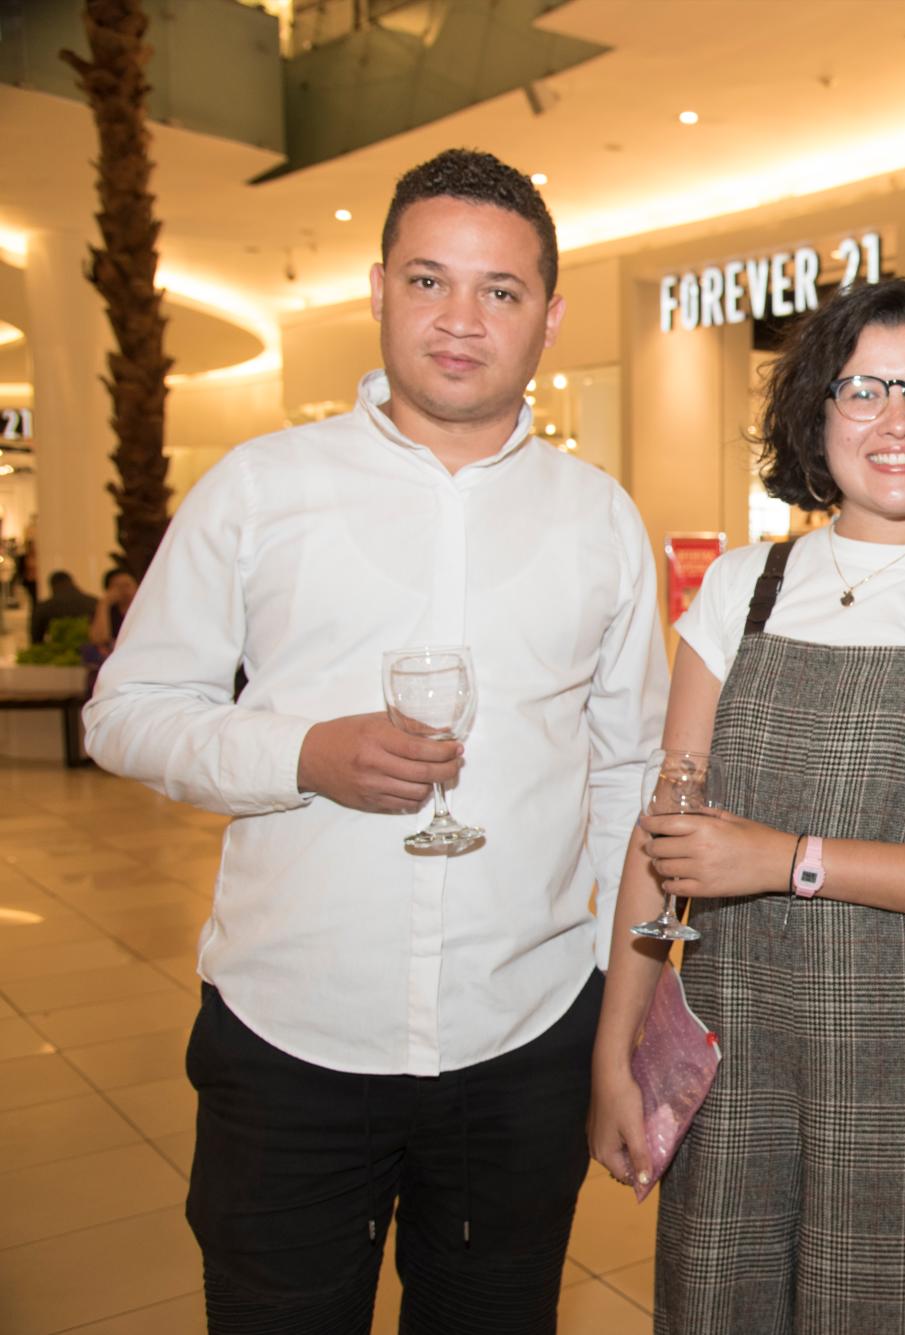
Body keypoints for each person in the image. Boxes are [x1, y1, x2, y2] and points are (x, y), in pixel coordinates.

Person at [85, 149, 667, 1333]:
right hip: (291, 1041)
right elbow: (127, 711)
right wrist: (301, 755)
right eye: (428, 280)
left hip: (523, 1042)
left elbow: (628, 777)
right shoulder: (260, 489)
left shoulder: (598, 518)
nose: (461, 320)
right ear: (377, 289)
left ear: (549, 318)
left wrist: (619, 1027)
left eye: (500, 290)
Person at [588, 277, 905, 1334]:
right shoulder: (742, 587)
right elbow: (663, 826)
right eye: (863, 390)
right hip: (733, 1056)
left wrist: (785, 858)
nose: (897, 419)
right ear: (815, 416)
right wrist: (614, 1048)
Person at [28, 568, 97, 643]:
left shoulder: (43, 608)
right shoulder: (94, 602)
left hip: (59, 648)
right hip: (91, 647)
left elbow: (36, 640)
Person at [87, 565, 137, 656]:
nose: (124, 591)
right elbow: (99, 640)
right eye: (118, 587)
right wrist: (104, 605)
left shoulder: (144, 609)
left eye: (127, 585)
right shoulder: (108, 611)